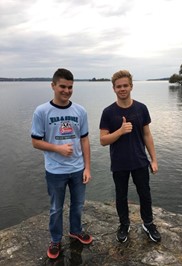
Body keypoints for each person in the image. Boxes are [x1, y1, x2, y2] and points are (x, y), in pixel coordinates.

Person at [31, 68, 93, 259]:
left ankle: (75, 230)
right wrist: (58, 148)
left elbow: (84, 140)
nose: (66, 91)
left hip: (77, 169)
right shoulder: (42, 111)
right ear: (53, 86)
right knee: (56, 208)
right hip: (55, 170)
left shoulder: (80, 111)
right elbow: (35, 141)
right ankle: (56, 239)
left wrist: (88, 167)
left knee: (78, 205)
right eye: (62, 87)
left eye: (70, 87)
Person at [99, 70, 161, 243]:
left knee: (145, 194)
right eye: (119, 86)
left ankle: (148, 223)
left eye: (125, 85)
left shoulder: (141, 108)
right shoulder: (108, 112)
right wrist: (119, 131)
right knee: (121, 196)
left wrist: (154, 159)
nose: (122, 89)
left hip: (140, 161)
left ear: (131, 86)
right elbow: (103, 140)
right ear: (114, 89)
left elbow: (147, 135)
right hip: (119, 163)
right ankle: (124, 224)